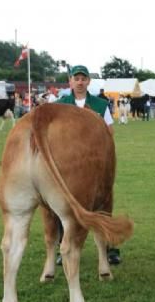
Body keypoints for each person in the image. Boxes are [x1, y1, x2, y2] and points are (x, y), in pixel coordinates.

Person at [55, 65, 120, 265]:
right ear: (70, 81)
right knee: (61, 205)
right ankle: (62, 247)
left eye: (84, 78)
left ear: (88, 81)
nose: (80, 82)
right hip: (67, 161)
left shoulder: (101, 104)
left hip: (94, 161)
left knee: (102, 202)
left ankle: (110, 248)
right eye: (77, 78)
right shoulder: (61, 104)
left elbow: (109, 132)